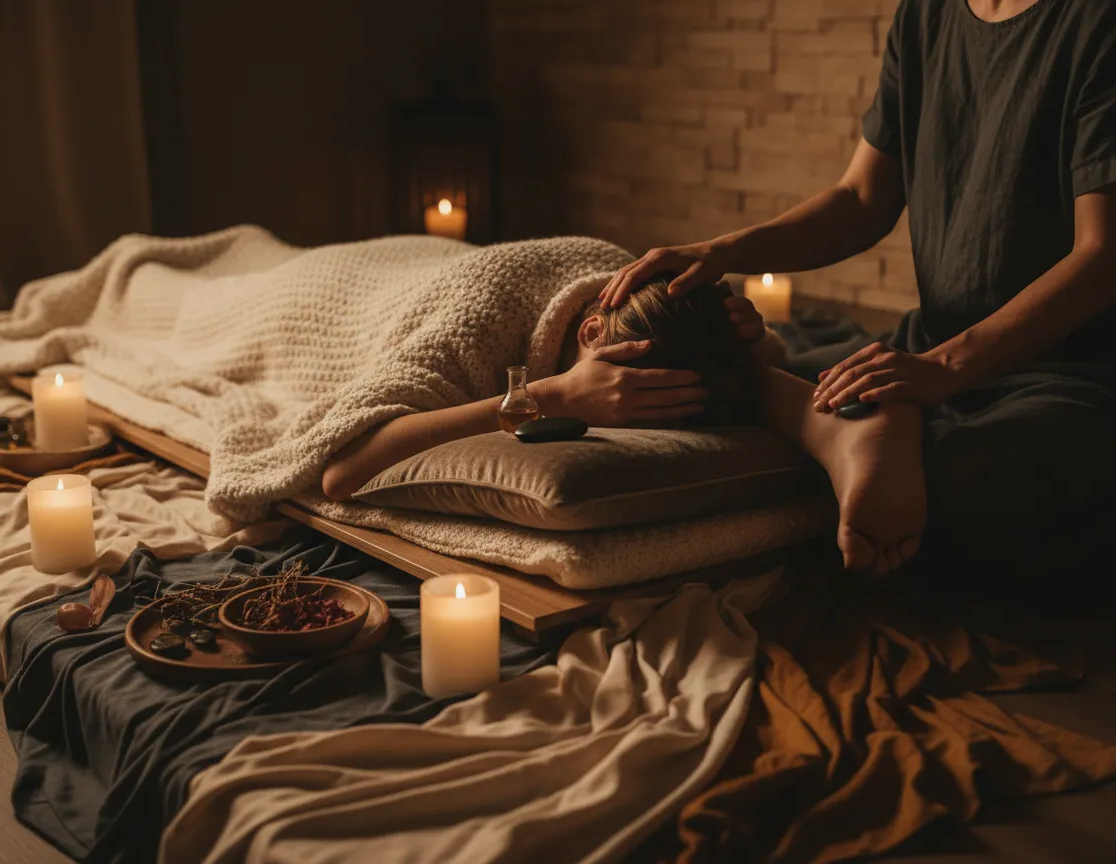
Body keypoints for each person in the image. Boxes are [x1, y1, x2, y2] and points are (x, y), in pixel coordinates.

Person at [600, 0, 1116, 579]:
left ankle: (882, 446)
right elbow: (862, 200)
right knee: (721, 393)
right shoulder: (926, 13)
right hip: (926, 346)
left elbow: (1102, 258)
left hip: (1070, 374)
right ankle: (880, 436)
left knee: (957, 478)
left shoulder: (1098, 22)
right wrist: (723, 252)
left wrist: (941, 370)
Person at [320, 280, 778, 501]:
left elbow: (772, 354)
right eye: (621, 390)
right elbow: (342, 474)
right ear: (591, 331)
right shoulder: (480, 321)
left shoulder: (670, 321)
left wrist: (755, 340)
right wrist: (550, 395)